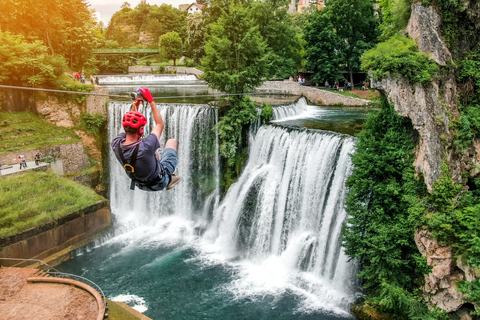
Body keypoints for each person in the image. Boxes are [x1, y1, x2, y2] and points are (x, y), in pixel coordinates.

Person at [111, 88, 181, 191]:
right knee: (172, 142)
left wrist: (136, 104)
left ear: (125, 128)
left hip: (140, 183)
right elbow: (160, 124)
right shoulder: (146, 146)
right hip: (160, 182)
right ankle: (170, 178)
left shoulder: (116, 143)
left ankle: (166, 173)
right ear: (141, 129)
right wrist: (151, 101)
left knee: (154, 153)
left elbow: (130, 123)